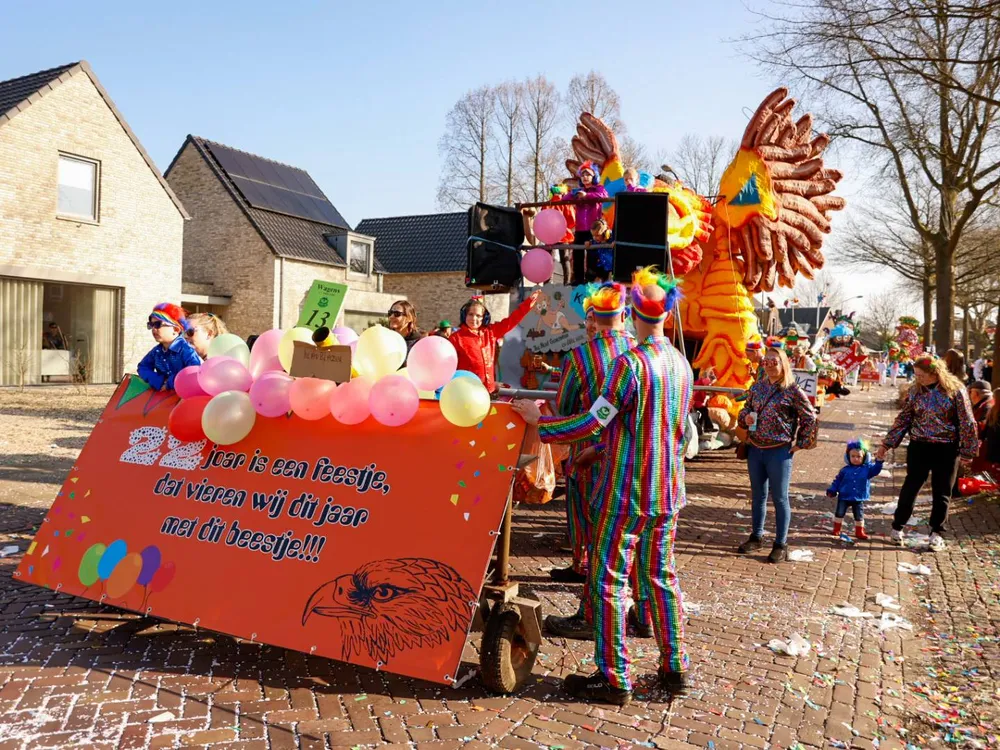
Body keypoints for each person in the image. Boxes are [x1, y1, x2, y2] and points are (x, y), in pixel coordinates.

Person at [513, 267, 693, 705]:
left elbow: (594, 420)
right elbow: (667, 430)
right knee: (661, 577)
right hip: (667, 490)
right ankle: (675, 668)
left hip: (624, 492)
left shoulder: (629, 365)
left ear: (633, 314)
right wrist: (599, 448)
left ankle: (614, 678)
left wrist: (541, 423)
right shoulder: (681, 363)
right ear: (667, 313)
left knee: (609, 582)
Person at [542, 283, 636, 630]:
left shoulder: (582, 357)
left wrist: (542, 424)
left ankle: (591, 614)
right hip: (638, 462)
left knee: (595, 531)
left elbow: (570, 409)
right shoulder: (650, 354)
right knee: (637, 542)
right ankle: (643, 614)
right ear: (625, 315)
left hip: (590, 455)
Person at [875, 355, 979, 551]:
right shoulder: (916, 391)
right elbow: (904, 419)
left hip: (947, 448)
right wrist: (887, 444)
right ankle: (897, 527)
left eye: (921, 375)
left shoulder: (956, 390)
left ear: (934, 373)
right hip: (920, 445)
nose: (918, 379)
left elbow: (967, 420)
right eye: (916, 375)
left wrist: (968, 450)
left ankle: (936, 533)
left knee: (942, 491)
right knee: (911, 486)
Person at [736, 342, 818, 563]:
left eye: (775, 361)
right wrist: (745, 417)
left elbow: (810, 417)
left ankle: (781, 543)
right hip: (755, 448)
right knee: (758, 496)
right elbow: (744, 410)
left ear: (784, 364)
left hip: (779, 451)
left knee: (780, 498)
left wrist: (802, 443)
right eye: (767, 361)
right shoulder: (757, 387)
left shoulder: (792, 390)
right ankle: (756, 536)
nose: (770, 365)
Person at [450, 292, 541, 393]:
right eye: (470, 314)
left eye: (478, 315)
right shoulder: (455, 338)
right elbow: (449, 368)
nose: (474, 319)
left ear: (484, 318)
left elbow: (511, 320)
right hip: (466, 391)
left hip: (487, 391)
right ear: (464, 315)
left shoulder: (491, 332)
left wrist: (527, 303)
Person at [826, 439, 883, 541]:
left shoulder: (867, 469)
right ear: (848, 457)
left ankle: (859, 531)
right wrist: (832, 489)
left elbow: (876, 470)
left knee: (859, 515)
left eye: (858, 456)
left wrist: (879, 462)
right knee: (839, 513)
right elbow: (837, 481)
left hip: (858, 497)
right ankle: (837, 529)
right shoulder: (844, 470)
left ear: (864, 457)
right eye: (853, 456)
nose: (855, 459)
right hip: (844, 496)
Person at [137, 303, 202, 391]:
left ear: (176, 329)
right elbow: (143, 367)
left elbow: (194, 372)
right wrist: (158, 380)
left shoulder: (186, 350)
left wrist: (169, 383)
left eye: (158, 324)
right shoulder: (156, 351)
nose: (153, 329)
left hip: (184, 395)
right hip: (165, 396)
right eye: (151, 325)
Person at [571, 161, 609, 284]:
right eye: (582, 175)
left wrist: (586, 196)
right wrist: (573, 194)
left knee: (592, 254)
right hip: (580, 228)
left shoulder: (599, 188)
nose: (585, 177)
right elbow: (565, 198)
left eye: (588, 174)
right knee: (577, 253)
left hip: (593, 229)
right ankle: (578, 280)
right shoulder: (578, 190)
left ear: (594, 176)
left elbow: (603, 195)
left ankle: (590, 279)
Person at [692, 368, 717, 433]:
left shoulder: (702, 383)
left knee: (704, 413)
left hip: (698, 402)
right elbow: (695, 394)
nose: (710, 384)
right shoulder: (702, 383)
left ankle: (702, 427)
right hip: (696, 402)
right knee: (705, 411)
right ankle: (708, 427)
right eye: (710, 383)